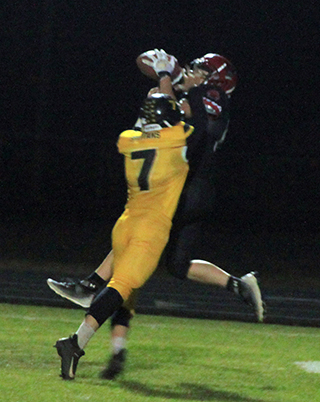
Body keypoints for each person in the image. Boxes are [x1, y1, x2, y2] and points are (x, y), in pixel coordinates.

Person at [49, 50, 264, 380]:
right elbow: (179, 116)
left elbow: (184, 119)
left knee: (132, 259)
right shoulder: (194, 111)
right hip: (193, 187)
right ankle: (237, 285)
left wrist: (170, 78)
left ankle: (91, 288)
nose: (192, 70)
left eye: (199, 69)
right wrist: (174, 81)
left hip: (184, 189)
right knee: (173, 265)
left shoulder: (205, 99)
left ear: (214, 80)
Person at [54, 92, 194, 380]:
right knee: (122, 288)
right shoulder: (176, 138)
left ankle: (89, 289)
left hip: (125, 224)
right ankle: (74, 343)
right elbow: (192, 123)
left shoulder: (128, 139)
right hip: (151, 229)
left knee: (119, 290)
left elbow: (146, 128)